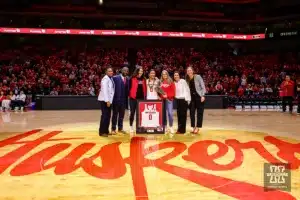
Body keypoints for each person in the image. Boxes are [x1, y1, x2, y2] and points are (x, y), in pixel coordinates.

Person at [186, 66, 206, 134]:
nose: (189, 71)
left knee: (199, 113)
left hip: (199, 97)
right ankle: (193, 127)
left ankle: (197, 127)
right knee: (192, 113)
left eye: (190, 70)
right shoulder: (187, 79)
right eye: (188, 70)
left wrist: (203, 95)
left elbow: (203, 86)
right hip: (191, 98)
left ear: (193, 71)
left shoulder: (197, 77)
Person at [111, 67, 129, 134]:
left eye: (127, 71)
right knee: (115, 115)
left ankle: (120, 128)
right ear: (121, 70)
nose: (126, 71)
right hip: (116, 100)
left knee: (121, 115)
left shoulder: (127, 79)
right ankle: (113, 129)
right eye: (124, 70)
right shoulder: (115, 78)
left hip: (123, 100)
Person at [128, 67, 146, 134]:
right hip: (133, 98)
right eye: (139, 71)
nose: (140, 72)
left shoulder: (144, 79)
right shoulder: (132, 78)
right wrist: (130, 95)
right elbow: (128, 87)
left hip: (141, 99)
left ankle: (138, 127)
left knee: (139, 114)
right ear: (137, 71)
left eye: (142, 71)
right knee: (132, 112)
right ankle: (131, 126)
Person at [98, 67, 115, 137]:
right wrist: (107, 101)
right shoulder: (105, 79)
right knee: (105, 116)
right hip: (104, 100)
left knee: (108, 116)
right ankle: (102, 132)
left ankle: (106, 131)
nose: (111, 72)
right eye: (109, 71)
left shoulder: (110, 79)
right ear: (106, 72)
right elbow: (105, 91)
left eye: (111, 71)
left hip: (108, 100)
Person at [160, 70, 176, 135]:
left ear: (167, 74)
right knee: (163, 114)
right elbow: (159, 90)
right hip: (162, 100)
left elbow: (173, 91)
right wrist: (162, 95)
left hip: (169, 99)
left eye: (165, 74)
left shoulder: (171, 81)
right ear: (162, 75)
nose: (164, 75)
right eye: (163, 74)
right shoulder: (160, 82)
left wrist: (168, 95)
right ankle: (165, 126)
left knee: (170, 113)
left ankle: (171, 126)